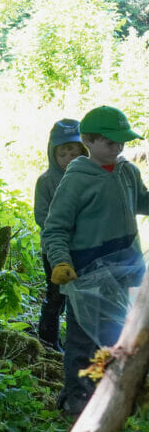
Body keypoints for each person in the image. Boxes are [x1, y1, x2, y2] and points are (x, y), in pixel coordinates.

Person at [43, 105, 148, 416]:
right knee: (83, 336)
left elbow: (141, 201)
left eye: (122, 141)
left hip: (128, 264)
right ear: (88, 140)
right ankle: (76, 397)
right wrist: (61, 261)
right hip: (88, 268)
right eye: (110, 141)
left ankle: (117, 393)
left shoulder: (128, 171)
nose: (118, 147)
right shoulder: (76, 179)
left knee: (124, 331)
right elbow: (55, 228)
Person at [33, 119, 87, 352]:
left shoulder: (90, 177)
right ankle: (48, 343)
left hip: (84, 247)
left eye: (74, 153)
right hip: (54, 251)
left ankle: (78, 345)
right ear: (52, 154)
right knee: (56, 296)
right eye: (62, 154)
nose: (68, 159)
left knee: (81, 296)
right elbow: (42, 216)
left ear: (83, 151)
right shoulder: (46, 181)